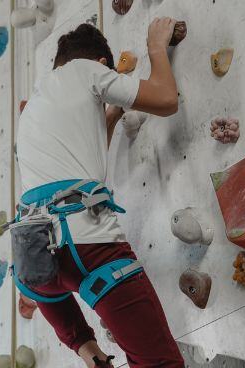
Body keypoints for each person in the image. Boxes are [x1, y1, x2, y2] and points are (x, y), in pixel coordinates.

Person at [14, 18, 184, 368]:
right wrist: (156, 46)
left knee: (89, 348)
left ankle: (90, 355)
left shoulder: (35, 106)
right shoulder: (86, 70)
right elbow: (166, 99)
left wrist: (113, 115)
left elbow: (83, 160)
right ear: (102, 63)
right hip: (88, 246)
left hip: (35, 262)